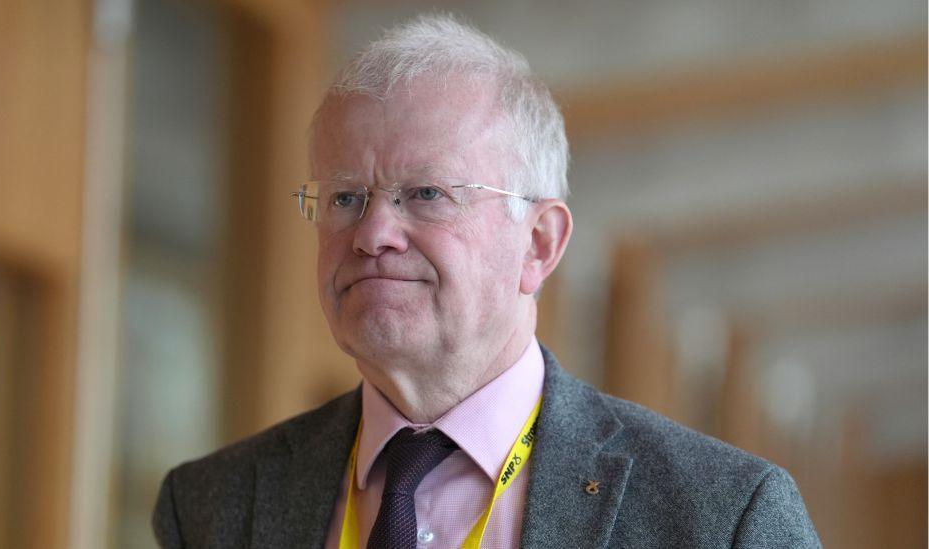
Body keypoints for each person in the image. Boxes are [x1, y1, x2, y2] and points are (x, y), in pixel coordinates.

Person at [152, 14, 820, 548]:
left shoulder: (722, 518)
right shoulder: (214, 506)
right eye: (346, 197)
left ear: (538, 243)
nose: (373, 232)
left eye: (426, 193)